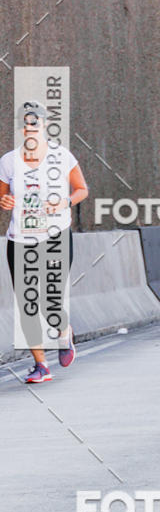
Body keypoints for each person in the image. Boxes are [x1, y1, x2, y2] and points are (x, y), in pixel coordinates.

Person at [0, 102, 88, 382]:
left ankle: (64, 333)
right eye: (25, 125)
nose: (30, 130)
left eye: (35, 125)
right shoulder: (9, 161)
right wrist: (5, 201)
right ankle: (41, 365)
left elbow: (81, 190)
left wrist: (64, 201)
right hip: (20, 239)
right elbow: (2, 197)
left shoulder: (61, 157)